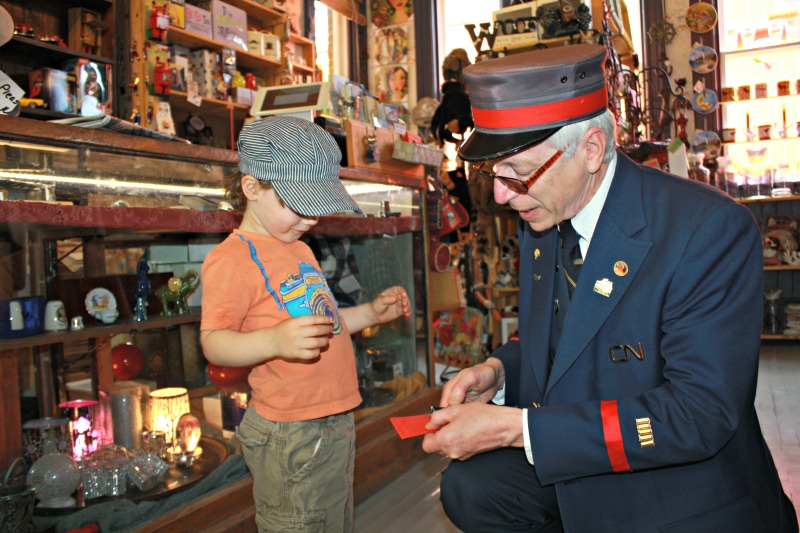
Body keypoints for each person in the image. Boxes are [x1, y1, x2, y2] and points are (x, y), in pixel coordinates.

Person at [422, 44, 798, 532]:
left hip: (679, 487)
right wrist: (500, 372)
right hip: (587, 452)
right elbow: (566, 335)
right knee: (470, 488)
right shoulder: (545, 212)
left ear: (592, 150)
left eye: (516, 173)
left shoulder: (706, 230)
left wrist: (519, 430)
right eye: (495, 175)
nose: (500, 194)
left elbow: (698, 415)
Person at [200, 116, 412, 532]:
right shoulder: (231, 259)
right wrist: (274, 340)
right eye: (298, 205)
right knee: (297, 523)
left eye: (317, 207)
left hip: (334, 420)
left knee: (332, 520)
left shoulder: (299, 249)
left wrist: (369, 313)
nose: (311, 219)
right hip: (289, 432)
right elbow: (214, 342)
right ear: (252, 188)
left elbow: (324, 323)